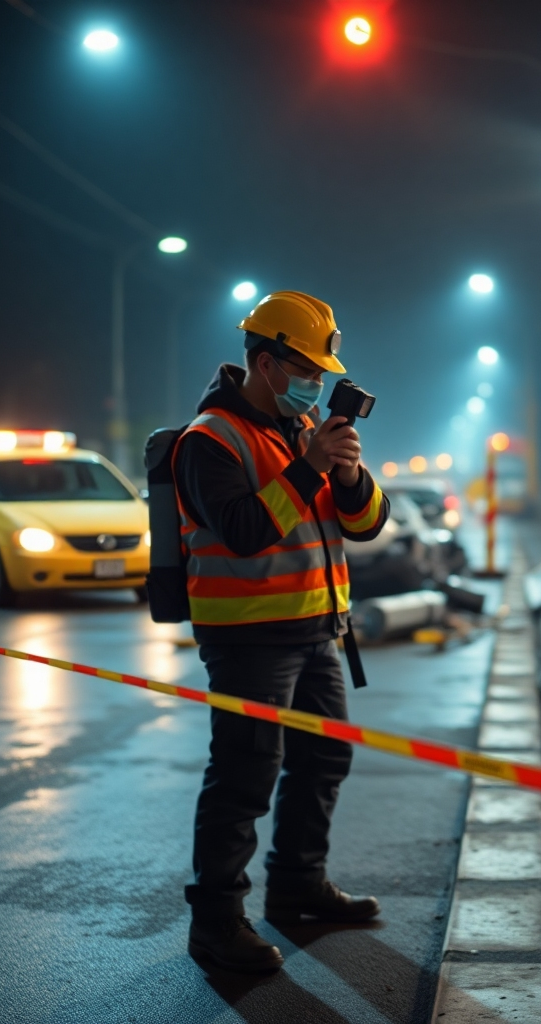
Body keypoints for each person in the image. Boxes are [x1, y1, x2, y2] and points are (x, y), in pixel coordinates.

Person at [172, 290, 390, 974]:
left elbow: (365, 526)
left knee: (323, 761)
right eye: (306, 371)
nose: (316, 386)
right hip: (248, 638)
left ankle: (297, 885)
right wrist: (312, 466)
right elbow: (242, 532)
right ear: (265, 363)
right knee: (243, 775)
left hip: (316, 630)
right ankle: (216, 923)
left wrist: (349, 475)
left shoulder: (300, 436)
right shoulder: (209, 439)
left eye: (323, 375)